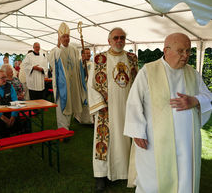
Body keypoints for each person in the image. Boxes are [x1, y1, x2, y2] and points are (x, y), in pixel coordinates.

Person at [124, 33, 212, 193]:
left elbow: (208, 96)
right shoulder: (148, 71)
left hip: (187, 143)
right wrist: (137, 132)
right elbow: (133, 103)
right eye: (181, 51)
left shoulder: (192, 73)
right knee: (153, 182)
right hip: (155, 142)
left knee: (185, 179)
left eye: (188, 51)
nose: (186, 56)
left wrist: (195, 100)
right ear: (166, 50)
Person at [87, 27, 138, 192]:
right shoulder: (100, 59)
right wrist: (100, 104)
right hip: (106, 109)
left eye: (122, 38)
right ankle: (101, 175)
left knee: (125, 139)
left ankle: (125, 172)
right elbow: (91, 85)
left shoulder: (132, 59)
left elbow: (137, 83)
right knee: (103, 142)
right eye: (116, 38)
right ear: (109, 41)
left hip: (126, 108)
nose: (119, 41)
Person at [48, 22, 85, 130]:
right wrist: (58, 46)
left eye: (68, 36)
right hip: (62, 84)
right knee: (63, 105)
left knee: (71, 103)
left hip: (73, 82)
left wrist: (82, 62)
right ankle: (63, 129)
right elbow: (52, 62)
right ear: (60, 38)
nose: (66, 39)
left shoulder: (73, 49)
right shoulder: (55, 51)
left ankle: (68, 125)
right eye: (64, 36)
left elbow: (77, 64)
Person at [0, 70, 24, 138]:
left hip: (9, 110)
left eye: (5, 77)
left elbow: (15, 101)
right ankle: (5, 139)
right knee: (1, 125)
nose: (4, 80)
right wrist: (3, 118)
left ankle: (18, 138)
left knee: (17, 121)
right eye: (2, 78)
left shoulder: (9, 86)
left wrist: (13, 116)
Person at [74, 48, 93, 124]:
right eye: (86, 53)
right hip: (81, 85)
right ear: (82, 55)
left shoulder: (92, 64)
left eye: (89, 53)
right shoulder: (78, 64)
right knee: (80, 101)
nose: (88, 55)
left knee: (88, 102)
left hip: (89, 86)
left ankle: (88, 120)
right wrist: (82, 63)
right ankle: (78, 117)